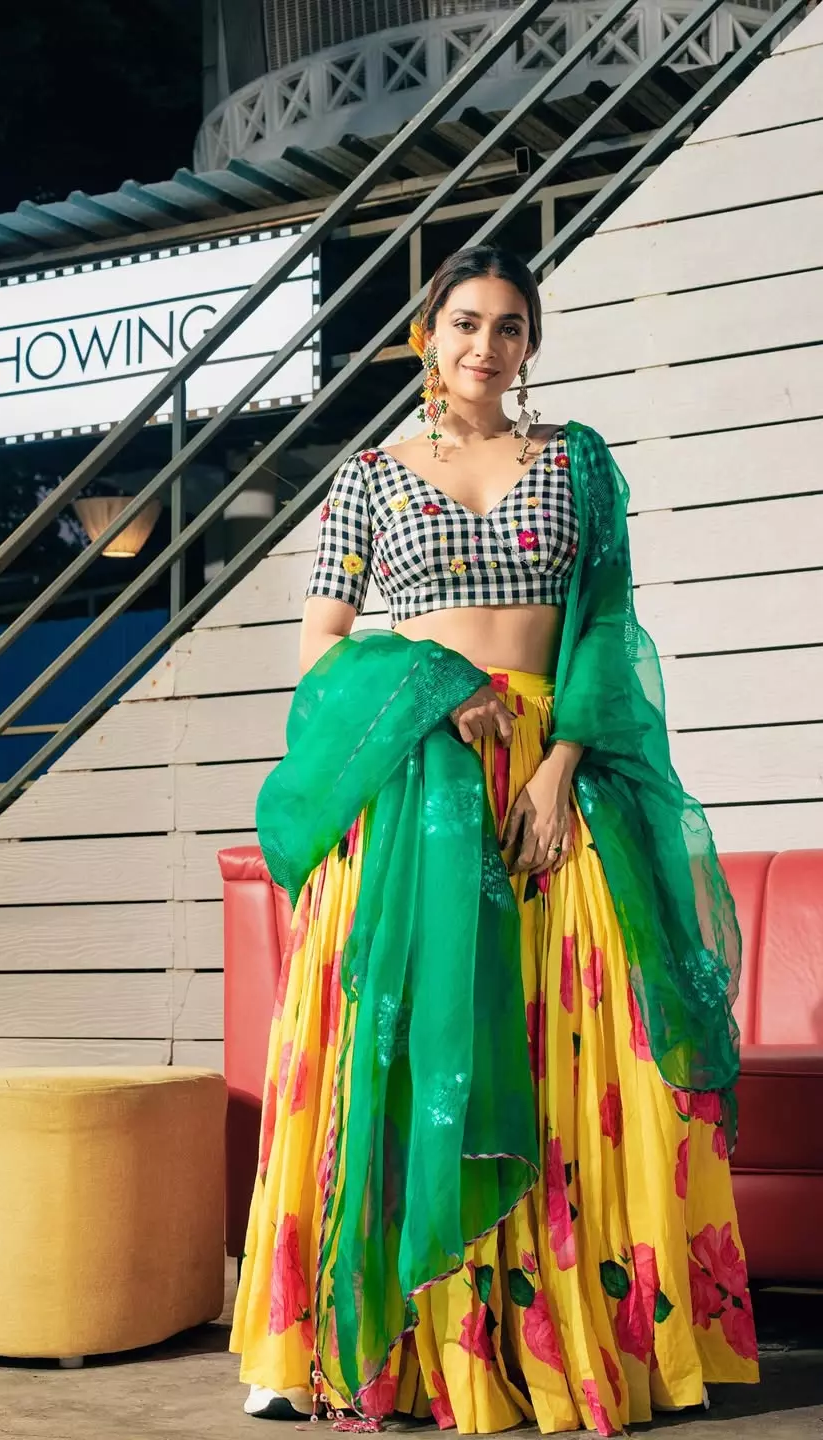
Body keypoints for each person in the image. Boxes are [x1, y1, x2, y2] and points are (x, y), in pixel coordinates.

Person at [229, 244, 759, 1435]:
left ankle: (573, 1343)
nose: (486, 345)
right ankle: (324, 1337)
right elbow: (322, 648)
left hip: (558, 779)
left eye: (509, 326)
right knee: (387, 1040)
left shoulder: (577, 463)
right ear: (428, 335)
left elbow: (606, 625)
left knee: (585, 1046)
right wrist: (435, 682)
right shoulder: (368, 478)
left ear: (531, 344)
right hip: (420, 781)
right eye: (465, 322)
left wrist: (563, 764)